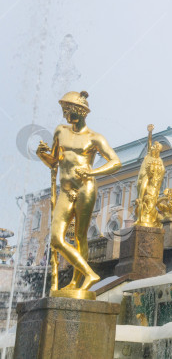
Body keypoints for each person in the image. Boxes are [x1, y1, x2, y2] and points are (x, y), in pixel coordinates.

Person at [36, 91, 121, 293]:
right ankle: (90, 273)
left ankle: (76, 282)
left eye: (69, 112)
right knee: (56, 239)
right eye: (64, 111)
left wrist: (93, 170)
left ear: (81, 112)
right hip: (65, 190)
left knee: (80, 236)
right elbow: (54, 161)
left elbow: (116, 162)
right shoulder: (60, 131)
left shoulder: (95, 138)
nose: (66, 116)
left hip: (85, 188)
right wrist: (41, 155)